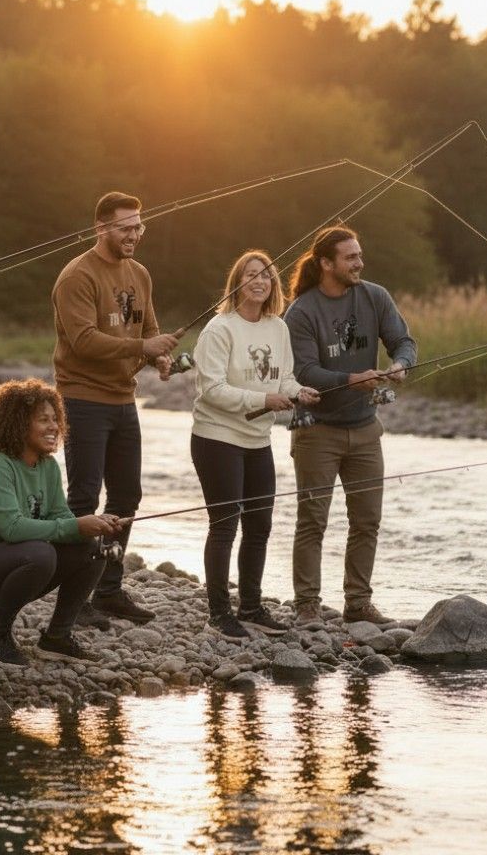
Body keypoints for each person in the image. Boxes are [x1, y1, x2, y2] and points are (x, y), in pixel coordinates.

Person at [51, 191, 178, 627]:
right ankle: (75, 597)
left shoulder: (139, 273)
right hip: (82, 398)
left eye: (139, 226)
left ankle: (108, 589)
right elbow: (84, 340)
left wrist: (159, 356)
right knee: (84, 499)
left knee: (126, 497)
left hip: (124, 401)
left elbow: (150, 327)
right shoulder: (76, 276)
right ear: (101, 228)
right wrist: (143, 346)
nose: (134, 235)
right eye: (125, 227)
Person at [0, 378, 122, 667]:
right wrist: (74, 526)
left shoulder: (46, 466)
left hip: (7, 562)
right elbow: (11, 528)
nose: (54, 427)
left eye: (55, 419)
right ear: (18, 423)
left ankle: (57, 638)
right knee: (40, 552)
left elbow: (60, 518)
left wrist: (94, 524)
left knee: (91, 547)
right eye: (43, 420)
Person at [283, 225, 417, 627]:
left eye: (360, 255)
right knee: (313, 521)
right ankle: (307, 606)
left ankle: (357, 604)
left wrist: (400, 365)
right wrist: (350, 379)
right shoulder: (302, 311)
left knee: (367, 521)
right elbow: (304, 370)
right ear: (326, 263)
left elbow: (404, 342)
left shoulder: (375, 296)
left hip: (365, 429)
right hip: (316, 431)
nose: (359, 262)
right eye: (350, 257)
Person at [191, 251, 320, 640]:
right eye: (251, 275)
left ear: (273, 286)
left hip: (257, 440)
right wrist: (262, 401)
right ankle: (218, 613)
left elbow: (282, 379)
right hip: (217, 438)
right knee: (225, 525)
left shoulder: (277, 327)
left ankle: (250, 607)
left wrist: (300, 391)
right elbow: (211, 390)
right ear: (238, 282)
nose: (260, 281)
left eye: (266, 276)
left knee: (260, 526)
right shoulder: (219, 329)